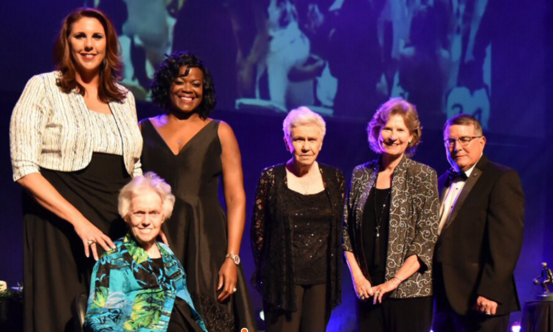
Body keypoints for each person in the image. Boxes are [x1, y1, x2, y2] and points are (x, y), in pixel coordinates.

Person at [9, 8, 142, 332]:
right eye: (79, 36)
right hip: (58, 222)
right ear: (67, 42)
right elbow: (25, 168)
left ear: (108, 44)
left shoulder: (124, 98)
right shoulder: (42, 87)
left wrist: (144, 212)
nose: (88, 44)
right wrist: (78, 221)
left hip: (113, 221)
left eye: (96, 36)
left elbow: (134, 166)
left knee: (117, 318)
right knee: (61, 315)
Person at [140, 51, 256, 332]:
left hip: (207, 244)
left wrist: (232, 257)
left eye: (197, 84)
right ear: (167, 84)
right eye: (181, 81)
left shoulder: (220, 131)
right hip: (158, 240)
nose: (189, 89)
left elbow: (236, 198)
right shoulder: (143, 130)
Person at [342, 98, 439, 332]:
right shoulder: (361, 174)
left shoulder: (423, 175)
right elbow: (346, 232)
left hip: (410, 293)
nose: (393, 136)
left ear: (412, 136)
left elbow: (426, 239)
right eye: (387, 128)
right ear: (377, 132)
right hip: (368, 291)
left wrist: (394, 281)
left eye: (400, 130)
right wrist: (358, 277)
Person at [251, 107, 345, 331]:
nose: (305, 146)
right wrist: (271, 273)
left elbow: (338, 228)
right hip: (282, 280)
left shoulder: (335, 179)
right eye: (298, 139)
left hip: (321, 280)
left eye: (312, 139)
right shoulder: (271, 178)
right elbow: (258, 233)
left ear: (321, 143)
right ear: (287, 142)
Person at [433, 114, 525, 332]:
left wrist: (491, 291)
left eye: (465, 139)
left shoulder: (501, 178)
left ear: (481, 142)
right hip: (443, 301)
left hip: (481, 299)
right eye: (451, 141)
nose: (457, 147)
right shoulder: (439, 182)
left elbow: (507, 243)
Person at [85, 172, 207, 332]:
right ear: (127, 216)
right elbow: (98, 319)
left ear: (163, 216)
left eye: (154, 213)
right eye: (139, 213)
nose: (146, 221)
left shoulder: (168, 255)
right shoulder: (114, 259)